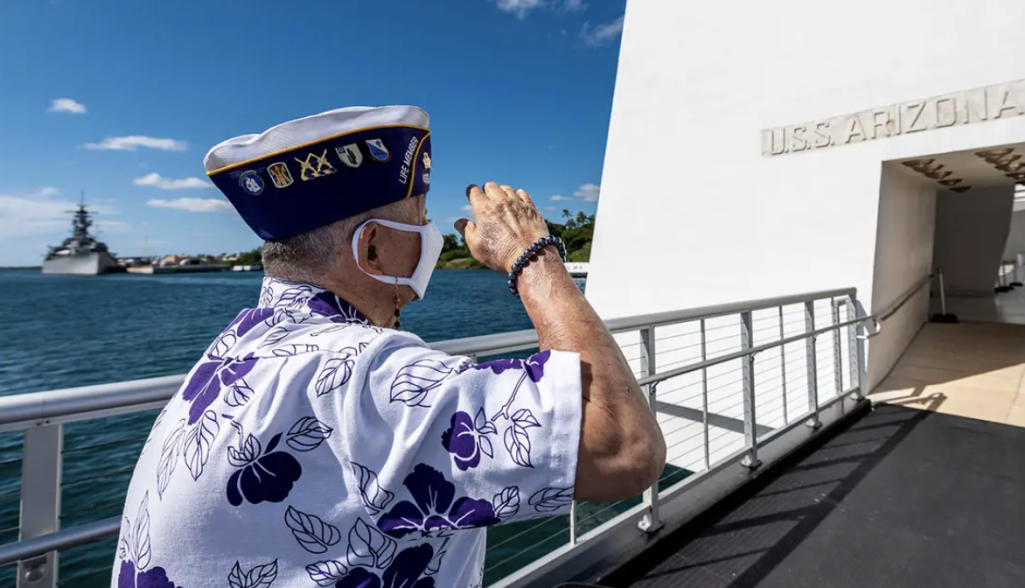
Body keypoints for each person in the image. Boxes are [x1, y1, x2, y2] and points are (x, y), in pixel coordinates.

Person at [110, 105, 666, 588]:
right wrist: (532, 254)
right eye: (420, 223)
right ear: (372, 250)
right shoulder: (359, 374)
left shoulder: (232, 353)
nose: (436, 240)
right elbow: (622, 447)